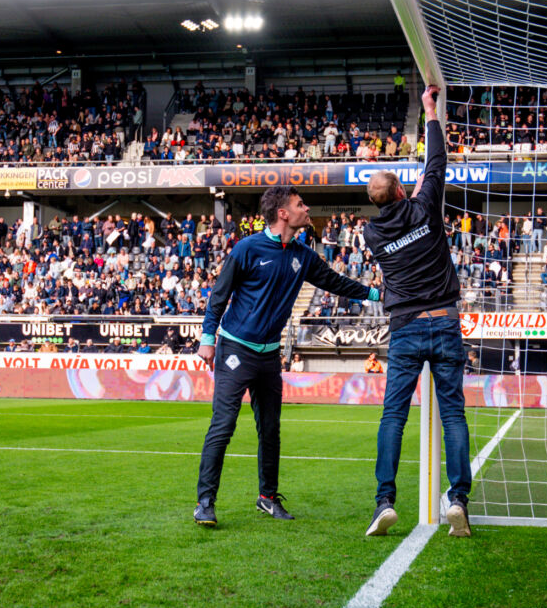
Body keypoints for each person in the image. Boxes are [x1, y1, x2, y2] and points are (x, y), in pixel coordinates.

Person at [193, 185, 380, 526]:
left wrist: (375, 292)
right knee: (223, 426)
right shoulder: (247, 248)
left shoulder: (303, 254)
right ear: (283, 213)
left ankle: (267, 498)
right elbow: (219, 296)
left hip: (268, 357)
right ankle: (205, 502)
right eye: (300, 204)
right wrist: (208, 338)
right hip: (235, 349)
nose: (306, 209)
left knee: (271, 429)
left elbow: (335, 282)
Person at [361, 84, 472, 538]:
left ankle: (385, 501)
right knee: (452, 415)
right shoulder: (424, 208)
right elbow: (436, 163)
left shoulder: (371, 234)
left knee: (393, 416)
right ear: (403, 190)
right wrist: (430, 112)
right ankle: (458, 499)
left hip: (404, 327)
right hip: (444, 321)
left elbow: (414, 186)